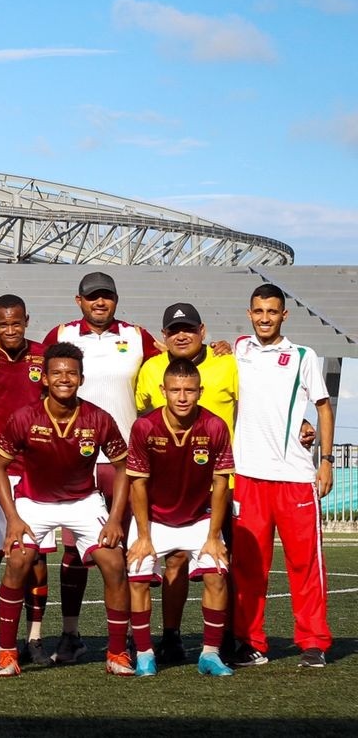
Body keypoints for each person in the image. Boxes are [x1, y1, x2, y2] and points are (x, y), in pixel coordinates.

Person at [0, 342, 133, 677]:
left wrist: (113, 518)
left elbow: (124, 467)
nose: (64, 378)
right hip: (33, 502)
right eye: (57, 373)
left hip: (83, 502)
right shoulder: (24, 417)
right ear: (44, 377)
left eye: (71, 373)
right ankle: (7, 653)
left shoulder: (98, 418)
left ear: (82, 378)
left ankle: (116, 653)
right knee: (19, 560)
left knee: (113, 562)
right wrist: (12, 518)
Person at [43, 271, 159, 663]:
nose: (100, 303)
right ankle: (70, 633)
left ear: (115, 299)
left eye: (107, 296)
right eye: (93, 297)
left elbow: (175, 368)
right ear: (79, 300)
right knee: (75, 553)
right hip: (76, 462)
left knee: (121, 548)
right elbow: (31, 372)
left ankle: (124, 635)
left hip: (122, 461)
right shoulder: (61, 334)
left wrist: (218, 349)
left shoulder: (138, 337)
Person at [230, 282, 334, 668]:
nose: (265, 318)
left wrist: (326, 460)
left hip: (294, 476)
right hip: (248, 476)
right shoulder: (238, 350)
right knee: (248, 567)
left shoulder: (303, 355)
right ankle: (251, 642)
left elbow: (322, 407)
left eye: (272, 312)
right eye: (258, 311)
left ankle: (313, 642)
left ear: (284, 315)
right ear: (249, 313)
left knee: (304, 564)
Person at [133, 301, 239, 665]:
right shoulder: (149, 376)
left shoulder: (228, 364)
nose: (182, 396)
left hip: (205, 504)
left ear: (203, 331)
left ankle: (217, 647)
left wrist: (212, 534)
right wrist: (144, 534)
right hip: (161, 506)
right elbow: (139, 476)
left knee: (220, 568)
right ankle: (156, 645)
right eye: (175, 330)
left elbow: (222, 482)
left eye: (190, 329)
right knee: (160, 568)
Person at [0, 294, 49, 661]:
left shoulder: (42, 355)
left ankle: (34, 635)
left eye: (17, 323)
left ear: (27, 320)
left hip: (31, 470)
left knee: (33, 556)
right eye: (3, 324)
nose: (11, 329)